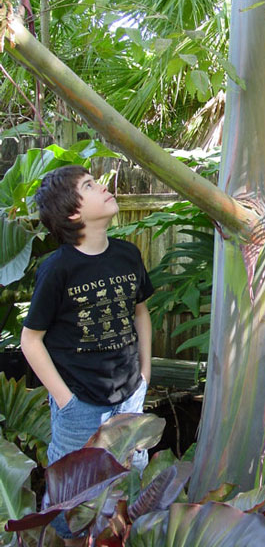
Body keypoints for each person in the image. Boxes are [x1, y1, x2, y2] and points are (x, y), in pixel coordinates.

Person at [21, 165, 153, 546]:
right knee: (72, 493)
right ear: (73, 213)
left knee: (130, 476)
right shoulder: (56, 269)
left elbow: (141, 311)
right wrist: (66, 400)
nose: (104, 187)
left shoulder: (128, 255)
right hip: (79, 402)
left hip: (129, 393)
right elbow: (31, 340)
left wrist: (145, 372)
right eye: (90, 185)